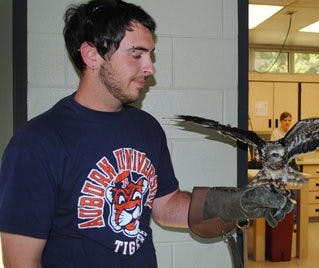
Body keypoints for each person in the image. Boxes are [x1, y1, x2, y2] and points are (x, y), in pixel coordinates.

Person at [0, 1, 292, 267]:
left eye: (150, 54)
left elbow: (164, 205)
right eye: (136, 54)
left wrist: (233, 203)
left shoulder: (146, 128)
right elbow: (21, 262)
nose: (150, 67)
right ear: (91, 55)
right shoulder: (37, 142)